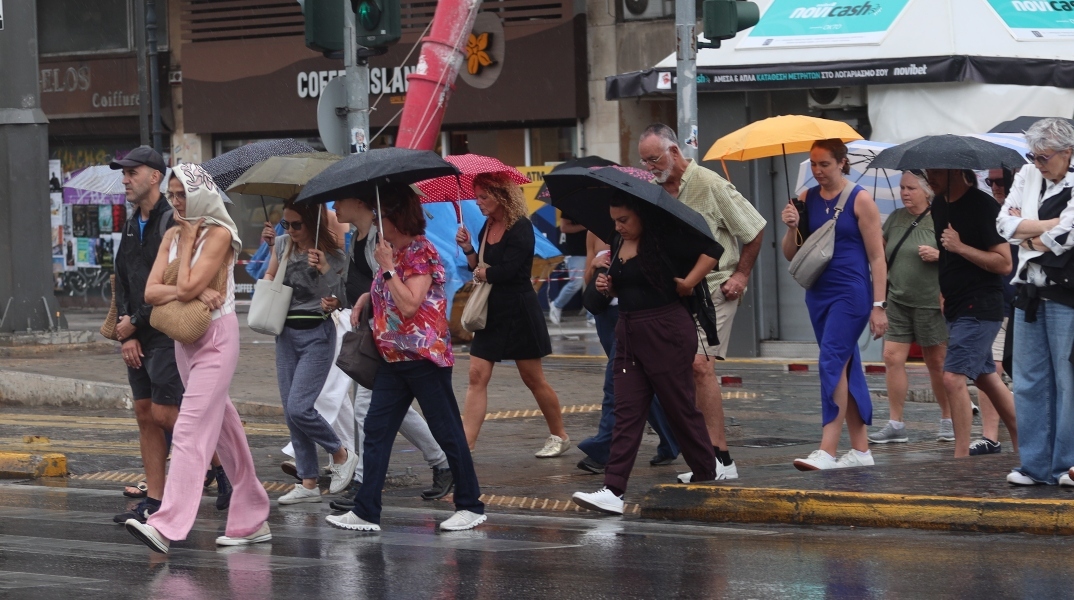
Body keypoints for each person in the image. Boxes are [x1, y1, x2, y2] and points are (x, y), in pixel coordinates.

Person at [125, 163, 270, 553]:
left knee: (188, 429)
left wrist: (188, 250)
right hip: (183, 339)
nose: (176, 202)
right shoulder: (171, 232)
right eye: (172, 195)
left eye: (182, 194)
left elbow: (187, 282)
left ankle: (166, 523)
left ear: (201, 194)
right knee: (227, 433)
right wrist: (186, 288)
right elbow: (152, 293)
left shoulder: (220, 233)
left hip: (217, 339)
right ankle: (253, 513)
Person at [325, 184, 485, 532]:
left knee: (447, 431)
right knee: (377, 431)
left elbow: (411, 303)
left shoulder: (419, 251)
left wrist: (385, 271)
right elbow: (387, 289)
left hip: (422, 356)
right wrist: (369, 297)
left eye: (382, 217)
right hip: (392, 356)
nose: (378, 224)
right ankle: (367, 511)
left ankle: (470, 505)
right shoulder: (393, 252)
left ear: (397, 218)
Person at [572, 194, 722, 515]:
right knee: (626, 410)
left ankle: (707, 472)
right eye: (614, 220)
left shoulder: (664, 239)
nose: (618, 227)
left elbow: (713, 250)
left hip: (666, 329)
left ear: (641, 216)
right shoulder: (615, 241)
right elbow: (614, 291)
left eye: (624, 219)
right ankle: (613, 489)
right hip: (628, 332)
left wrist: (689, 282)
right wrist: (605, 284)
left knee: (678, 406)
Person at [638, 124, 767, 481]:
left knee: (699, 365)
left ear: (675, 151)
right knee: (678, 372)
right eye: (645, 161)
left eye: (654, 158)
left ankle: (720, 458)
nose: (650, 167)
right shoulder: (653, 192)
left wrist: (741, 275)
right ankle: (701, 455)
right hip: (675, 290)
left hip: (714, 288)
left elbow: (754, 229)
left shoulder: (711, 185)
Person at [110, 147, 231, 523]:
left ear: (154, 176)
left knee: (166, 412)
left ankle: (222, 465)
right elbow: (128, 280)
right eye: (124, 172)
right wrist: (126, 331)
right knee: (145, 413)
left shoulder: (172, 221)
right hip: (137, 330)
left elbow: (169, 285)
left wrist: (138, 321)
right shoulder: (133, 222)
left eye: (133, 171)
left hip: (167, 329)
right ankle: (157, 500)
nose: (125, 178)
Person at [781, 139, 888, 471]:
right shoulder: (805, 198)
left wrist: (879, 304)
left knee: (830, 361)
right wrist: (792, 226)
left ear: (842, 163)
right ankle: (860, 450)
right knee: (846, 365)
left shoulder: (861, 199)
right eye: (813, 164)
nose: (817, 171)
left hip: (851, 293)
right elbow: (791, 254)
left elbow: (877, 257)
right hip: (818, 292)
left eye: (824, 164)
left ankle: (827, 450)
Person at [455, 172, 570, 456]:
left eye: (484, 196)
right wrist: (468, 247)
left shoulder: (521, 227)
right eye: (477, 196)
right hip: (491, 310)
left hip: (518, 310)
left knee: (533, 378)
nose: (478, 202)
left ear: (502, 195)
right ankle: (465, 445)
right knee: (476, 375)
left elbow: (510, 270)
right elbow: (477, 265)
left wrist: (484, 272)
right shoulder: (486, 226)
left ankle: (559, 435)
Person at [261, 200, 358, 504]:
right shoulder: (281, 245)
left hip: (317, 334)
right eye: (285, 225)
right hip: (285, 334)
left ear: (312, 224)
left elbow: (343, 296)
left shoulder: (332, 253)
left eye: (296, 225)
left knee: (300, 407)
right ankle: (308, 481)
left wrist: (326, 271)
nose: (290, 231)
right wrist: (270, 271)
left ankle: (341, 453)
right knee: (292, 413)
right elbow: (268, 277)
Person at [996, 117, 1074, 485]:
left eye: (1045, 157)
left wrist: (1026, 231)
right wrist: (1046, 226)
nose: (1038, 163)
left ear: (1068, 153)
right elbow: (1003, 226)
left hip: (1066, 294)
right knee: (1028, 381)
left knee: (1067, 379)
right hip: (1028, 290)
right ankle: (1034, 466)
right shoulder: (1026, 175)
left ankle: (1067, 465)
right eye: (1034, 155)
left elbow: (1067, 238)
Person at [926, 168, 1018, 459]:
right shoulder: (939, 204)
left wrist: (960, 246)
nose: (930, 177)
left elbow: (1004, 264)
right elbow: (948, 258)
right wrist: (943, 290)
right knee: (985, 377)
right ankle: (1026, 445)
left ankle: (960, 458)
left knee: (953, 378)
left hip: (980, 306)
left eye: (936, 171)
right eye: (927, 171)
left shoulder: (983, 205)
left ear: (955, 171)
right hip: (954, 305)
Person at [575, 231, 682, 474]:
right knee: (637, 381)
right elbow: (587, 280)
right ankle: (672, 439)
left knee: (616, 382)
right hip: (605, 316)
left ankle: (603, 449)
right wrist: (593, 266)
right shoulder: (594, 232)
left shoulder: (640, 231)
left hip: (634, 314)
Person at [868, 170, 952, 445]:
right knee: (892, 358)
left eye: (911, 188)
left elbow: (959, 254)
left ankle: (948, 419)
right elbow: (879, 254)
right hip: (898, 300)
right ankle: (895, 423)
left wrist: (940, 255)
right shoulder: (894, 219)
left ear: (927, 191)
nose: (905, 192)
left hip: (930, 302)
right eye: (902, 187)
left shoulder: (941, 218)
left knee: (936, 363)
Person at [972, 166, 1019, 456]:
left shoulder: (1026, 208)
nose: (995, 186)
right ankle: (990, 435)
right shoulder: (988, 211)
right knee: (990, 366)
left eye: (1000, 181)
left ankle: (1023, 432)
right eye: (990, 182)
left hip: (1027, 302)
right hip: (996, 302)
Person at [548, 216, 588, 325]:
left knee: (594, 283)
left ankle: (592, 315)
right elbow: (564, 228)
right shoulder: (570, 208)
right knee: (576, 283)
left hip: (593, 249)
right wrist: (586, 226)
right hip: (576, 251)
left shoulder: (593, 205)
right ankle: (557, 305)